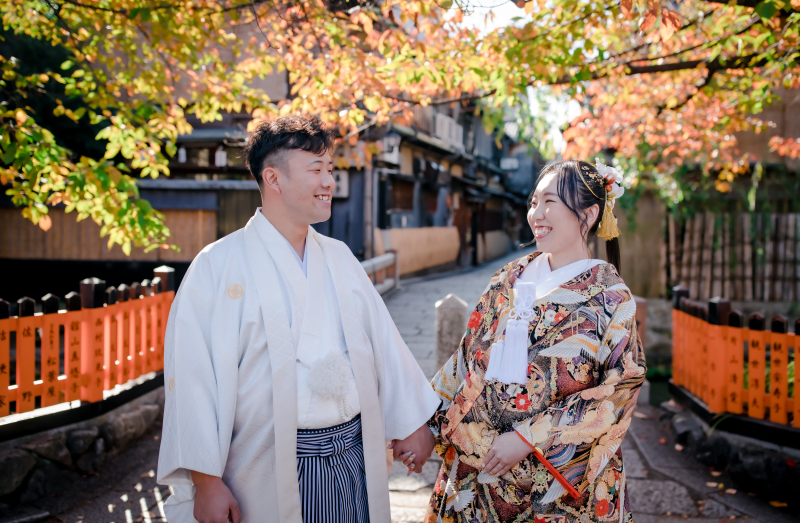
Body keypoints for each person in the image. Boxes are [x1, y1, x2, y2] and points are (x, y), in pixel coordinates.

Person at [157, 115, 438, 523]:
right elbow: (194, 379)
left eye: (330, 169)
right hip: (263, 464)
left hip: (353, 454)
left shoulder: (339, 256)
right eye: (316, 170)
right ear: (273, 178)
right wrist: (206, 482)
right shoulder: (217, 266)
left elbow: (383, 345)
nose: (330, 182)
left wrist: (411, 421)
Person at [421, 160, 646, 522]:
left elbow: (622, 387)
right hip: (482, 462)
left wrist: (528, 437)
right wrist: (422, 422)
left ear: (588, 214)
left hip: (553, 484)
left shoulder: (611, 299)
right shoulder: (509, 277)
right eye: (533, 202)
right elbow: (467, 356)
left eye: (550, 202)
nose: (536, 214)